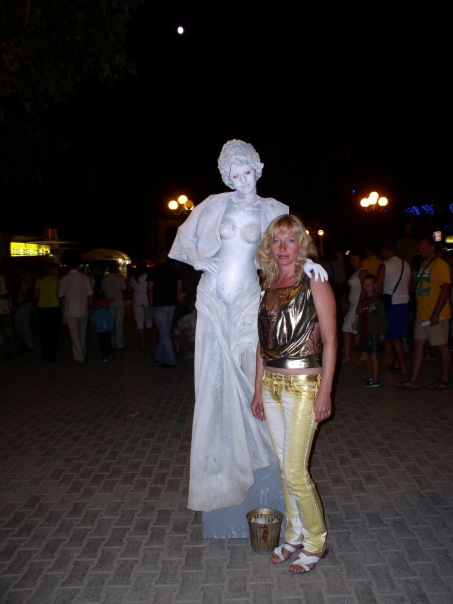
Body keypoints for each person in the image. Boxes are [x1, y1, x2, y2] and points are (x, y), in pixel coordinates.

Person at [169, 139, 327, 512]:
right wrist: (200, 261)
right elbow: (181, 244)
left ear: (257, 169)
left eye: (247, 172)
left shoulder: (273, 209)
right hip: (212, 298)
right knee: (212, 380)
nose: (243, 180)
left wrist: (307, 264)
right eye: (235, 175)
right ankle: (222, 459)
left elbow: (288, 245)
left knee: (248, 370)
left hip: (246, 299)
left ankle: (263, 453)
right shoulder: (213, 204)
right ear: (227, 177)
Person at [251, 214, 336, 575]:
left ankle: (315, 541)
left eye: (290, 239)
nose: (283, 247)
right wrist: (257, 390)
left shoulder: (314, 280)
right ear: (268, 246)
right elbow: (261, 344)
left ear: (301, 244)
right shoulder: (268, 283)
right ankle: (294, 534)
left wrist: (325, 392)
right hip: (271, 385)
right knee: (285, 469)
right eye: (276, 240)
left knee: (296, 472)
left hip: (303, 386)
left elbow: (331, 340)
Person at [397, 238, 452, 390]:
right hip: (422, 314)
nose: (420, 249)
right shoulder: (423, 264)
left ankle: (445, 379)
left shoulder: (441, 264)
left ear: (432, 247)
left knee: (442, 346)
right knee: (418, 344)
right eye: (419, 246)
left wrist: (436, 312)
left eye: (423, 246)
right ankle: (414, 379)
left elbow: (445, 290)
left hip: (436, 315)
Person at [376, 241, 411, 376]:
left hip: (392, 304)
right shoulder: (406, 264)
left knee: (395, 338)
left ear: (385, 251)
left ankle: (403, 367)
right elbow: (410, 286)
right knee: (400, 336)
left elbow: (378, 287)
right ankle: (397, 363)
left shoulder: (384, 265)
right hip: (405, 303)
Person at [147, 247, 183, 368]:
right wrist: (175, 298)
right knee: (165, 331)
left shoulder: (153, 270)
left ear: (157, 257)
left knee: (164, 333)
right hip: (171, 304)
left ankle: (170, 360)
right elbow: (179, 287)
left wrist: (151, 304)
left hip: (159, 305)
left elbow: (150, 289)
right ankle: (157, 355)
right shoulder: (174, 270)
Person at [59, 252, 94, 364]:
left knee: (74, 334)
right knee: (83, 332)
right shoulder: (84, 278)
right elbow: (90, 294)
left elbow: (60, 295)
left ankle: (78, 356)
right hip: (83, 308)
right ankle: (82, 352)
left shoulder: (64, 279)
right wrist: (91, 306)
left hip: (71, 309)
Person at [357, 273, 388, 387]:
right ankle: (372, 376)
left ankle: (375, 380)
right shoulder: (364, 299)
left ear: (374, 285)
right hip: (365, 331)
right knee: (369, 355)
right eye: (365, 284)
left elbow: (382, 317)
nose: (367, 286)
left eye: (370, 284)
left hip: (373, 331)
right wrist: (359, 332)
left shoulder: (377, 300)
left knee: (374, 355)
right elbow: (360, 316)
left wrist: (382, 332)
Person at [341, 251, 367, 364]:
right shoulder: (355, 272)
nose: (353, 262)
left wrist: (360, 304)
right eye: (352, 259)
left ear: (360, 260)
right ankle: (352, 354)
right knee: (352, 329)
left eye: (356, 259)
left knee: (348, 328)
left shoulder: (362, 272)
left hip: (357, 304)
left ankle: (352, 355)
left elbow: (364, 289)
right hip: (353, 304)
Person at [34, 262, 61, 363]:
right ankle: (53, 355)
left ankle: (45, 355)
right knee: (54, 332)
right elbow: (60, 294)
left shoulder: (39, 280)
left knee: (44, 332)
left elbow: (36, 295)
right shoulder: (58, 281)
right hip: (54, 306)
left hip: (42, 307)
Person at [101, 262, 128, 350]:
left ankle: (112, 342)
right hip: (118, 301)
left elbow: (103, 292)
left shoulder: (104, 279)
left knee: (111, 323)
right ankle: (119, 344)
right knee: (119, 323)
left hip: (109, 302)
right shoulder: (120, 279)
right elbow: (124, 291)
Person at [12, 261, 35, 351]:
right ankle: (27, 342)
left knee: (23, 324)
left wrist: (16, 303)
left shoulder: (25, 278)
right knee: (19, 323)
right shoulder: (23, 278)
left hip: (24, 303)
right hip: (23, 302)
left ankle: (29, 344)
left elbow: (22, 293)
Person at [129, 259, 152, 347]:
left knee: (139, 320)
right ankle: (149, 337)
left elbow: (132, 290)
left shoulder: (133, 277)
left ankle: (142, 340)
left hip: (137, 299)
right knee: (148, 318)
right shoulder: (148, 276)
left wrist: (132, 301)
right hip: (147, 298)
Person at [90, 297, 114, 362]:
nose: (109, 305)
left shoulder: (97, 313)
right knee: (108, 343)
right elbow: (111, 323)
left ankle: (104, 356)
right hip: (108, 331)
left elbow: (93, 320)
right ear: (105, 305)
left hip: (100, 332)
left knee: (102, 344)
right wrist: (112, 330)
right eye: (107, 304)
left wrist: (91, 315)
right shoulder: (108, 313)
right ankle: (109, 354)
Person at [0, 263, 15, 360]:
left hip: (3, 308)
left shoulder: (4, 280)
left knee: (6, 330)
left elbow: (11, 293)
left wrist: (2, 296)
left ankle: (10, 349)